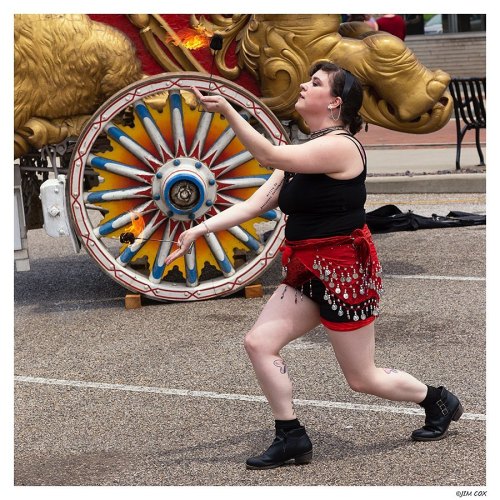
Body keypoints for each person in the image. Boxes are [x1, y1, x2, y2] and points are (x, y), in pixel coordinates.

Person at [165, 61, 463, 470]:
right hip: (307, 269)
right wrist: (199, 230)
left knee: (362, 379)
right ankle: (291, 437)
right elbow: (257, 203)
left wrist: (229, 110)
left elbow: (267, 152)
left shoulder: (340, 146)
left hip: (343, 275)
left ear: (335, 103)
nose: (304, 85)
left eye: (315, 83)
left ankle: (438, 401)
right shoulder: (304, 151)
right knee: (258, 343)